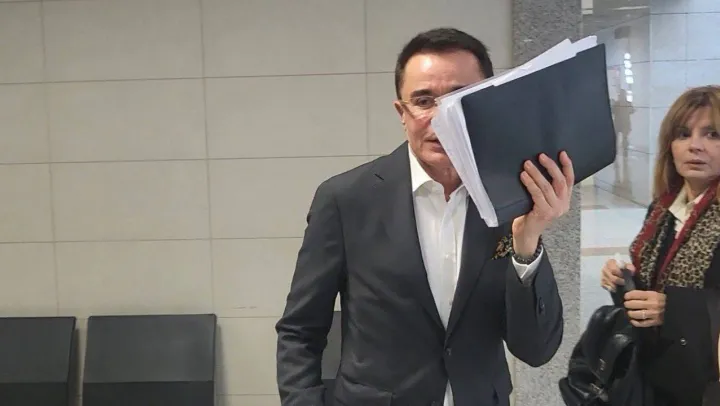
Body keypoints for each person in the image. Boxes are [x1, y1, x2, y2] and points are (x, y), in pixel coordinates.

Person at [276, 27, 573, 406]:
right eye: (423, 101)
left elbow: (536, 350)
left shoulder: (512, 198)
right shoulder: (346, 200)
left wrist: (527, 242)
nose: (440, 118)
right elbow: (300, 331)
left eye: (459, 98)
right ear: (402, 113)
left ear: (487, 104)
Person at [600, 85, 720, 406]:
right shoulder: (663, 208)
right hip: (653, 376)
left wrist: (672, 309)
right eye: (683, 134)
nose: (695, 145)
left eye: (712, 134)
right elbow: (650, 288)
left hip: (703, 385)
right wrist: (623, 281)